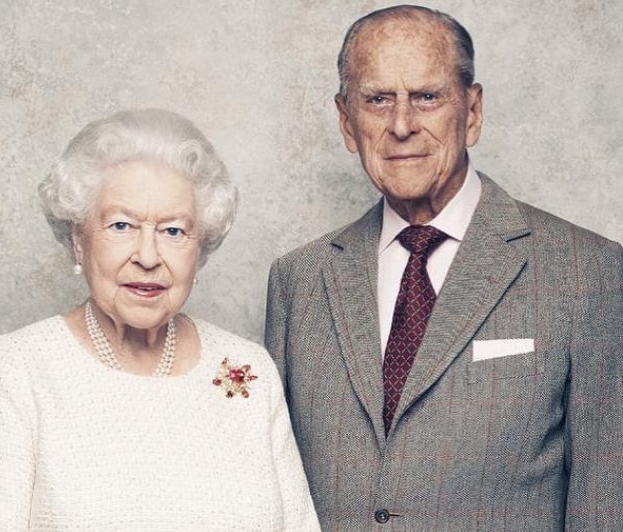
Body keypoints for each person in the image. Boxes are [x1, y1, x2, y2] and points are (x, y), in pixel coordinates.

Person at [265, 5, 623, 531]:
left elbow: (606, 503)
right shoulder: (298, 281)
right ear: (347, 120)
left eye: (427, 97)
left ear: (472, 111)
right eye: (377, 99)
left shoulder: (588, 273)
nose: (402, 125)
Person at [0, 108, 321, 531]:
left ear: (201, 247)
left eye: (173, 231)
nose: (149, 256)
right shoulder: (16, 370)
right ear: (79, 239)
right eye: (122, 225)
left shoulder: (250, 371)